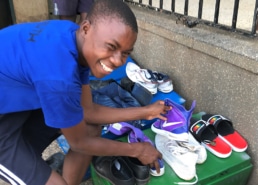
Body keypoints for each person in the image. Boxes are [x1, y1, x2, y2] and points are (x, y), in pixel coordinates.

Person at [0, 0, 171, 184]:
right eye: (111, 47)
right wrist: (138, 150)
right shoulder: (59, 77)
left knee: (89, 129)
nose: (117, 61)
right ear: (86, 28)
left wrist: (146, 112)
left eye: (125, 53)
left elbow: (88, 111)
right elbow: (79, 143)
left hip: (15, 106)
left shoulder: (70, 35)